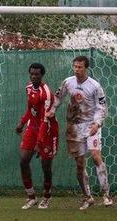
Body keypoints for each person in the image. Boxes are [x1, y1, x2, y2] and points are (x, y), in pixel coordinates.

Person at [46, 55, 113, 210]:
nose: (77, 69)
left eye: (80, 67)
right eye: (75, 66)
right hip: (74, 127)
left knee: (96, 156)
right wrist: (53, 110)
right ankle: (87, 197)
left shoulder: (95, 86)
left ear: (86, 68)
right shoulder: (68, 82)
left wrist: (97, 123)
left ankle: (106, 194)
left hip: (91, 126)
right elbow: (58, 97)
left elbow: (101, 107)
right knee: (79, 164)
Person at [15, 63, 59, 210]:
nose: (34, 77)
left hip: (47, 130)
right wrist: (22, 122)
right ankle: (31, 196)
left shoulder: (46, 93)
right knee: (23, 161)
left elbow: (45, 121)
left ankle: (46, 196)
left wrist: (39, 143)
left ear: (42, 75)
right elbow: (30, 109)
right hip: (33, 127)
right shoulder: (28, 88)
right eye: (32, 74)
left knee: (46, 166)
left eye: (37, 74)